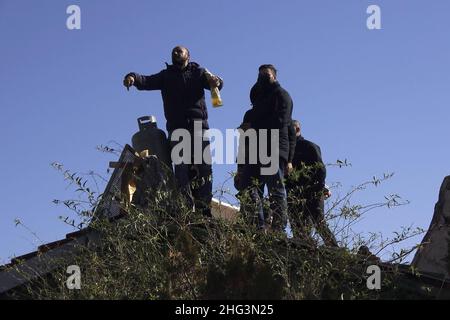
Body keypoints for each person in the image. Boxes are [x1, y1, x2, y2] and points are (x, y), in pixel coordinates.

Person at [123, 46, 223, 217]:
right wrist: (132, 76)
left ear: (188, 56)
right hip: (177, 129)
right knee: (181, 169)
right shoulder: (166, 76)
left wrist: (218, 82)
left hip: (199, 127)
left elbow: (216, 83)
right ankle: (186, 209)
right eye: (174, 51)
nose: (176, 53)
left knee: (205, 169)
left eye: (180, 51)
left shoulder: (198, 73)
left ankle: (204, 210)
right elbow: (146, 80)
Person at [245, 64, 294, 232]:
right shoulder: (259, 99)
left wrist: (289, 159)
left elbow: (281, 122)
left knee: (275, 191)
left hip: (274, 147)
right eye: (259, 74)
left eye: (265, 74)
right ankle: (258, 225)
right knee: (252, 187)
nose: (261, 77)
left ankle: (278, 228)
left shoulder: (282, 95)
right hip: (257, 149)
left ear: (274, 76)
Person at [286, 120, 338, 247]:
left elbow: (320, 169)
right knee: (298, 226)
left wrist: (319, 187)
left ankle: (333, 248)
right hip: (294, 195)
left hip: (312, 191)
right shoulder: (286, 151)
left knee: (318, 221)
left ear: (297, 129)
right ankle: (304, 250)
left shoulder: (309, 146)